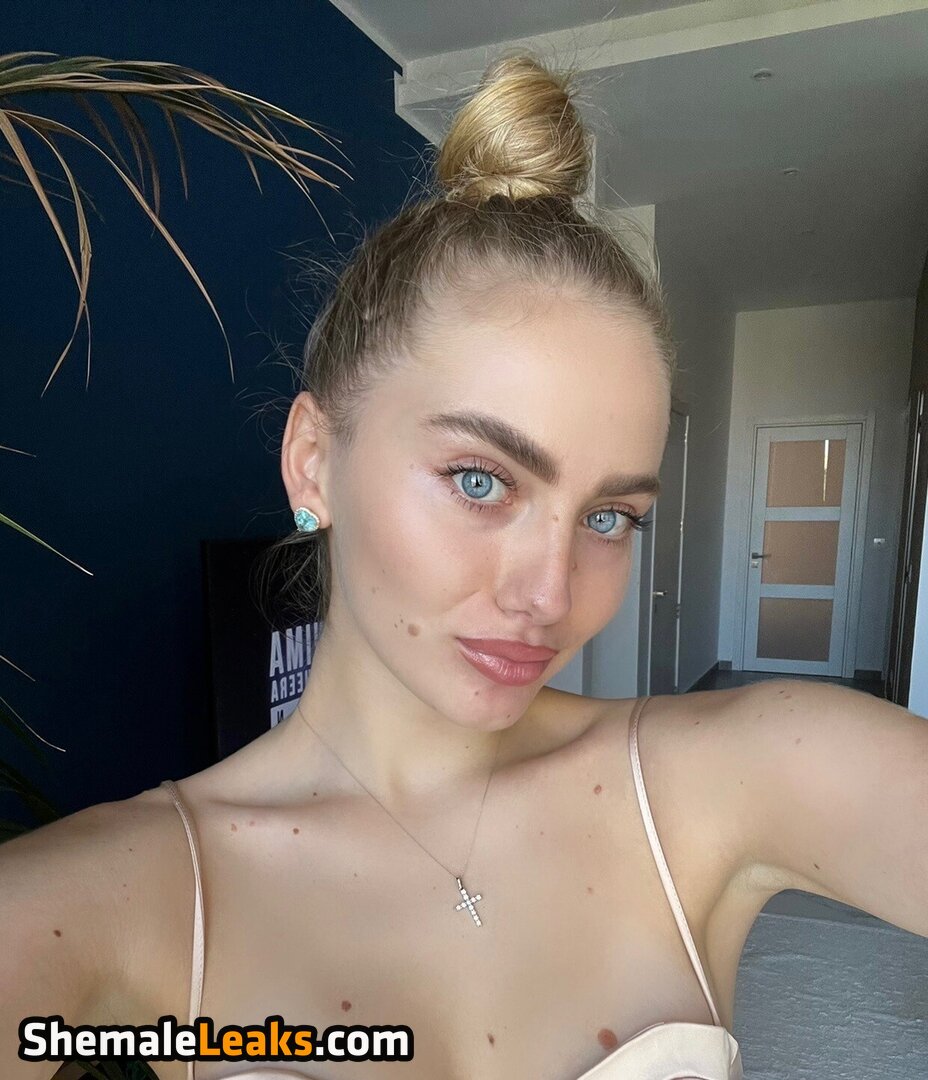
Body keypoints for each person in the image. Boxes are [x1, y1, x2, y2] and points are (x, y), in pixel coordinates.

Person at [2, 52, 926, 1080]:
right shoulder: (129, 893)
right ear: (313, 463)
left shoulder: (728, 778)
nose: (549, 596)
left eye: (610, 517)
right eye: (481, 481)